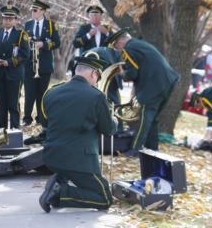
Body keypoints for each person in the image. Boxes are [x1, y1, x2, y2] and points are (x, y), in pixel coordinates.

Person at [39, 54, 117, 213]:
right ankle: (58, 193)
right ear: (93, 74)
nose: (97, 81)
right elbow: (108, 129)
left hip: (52, 156)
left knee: (68, 171)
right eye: (98, 77)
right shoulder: (97, 96)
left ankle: (58, 181)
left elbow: (45, 122)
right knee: (104, 198)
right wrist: (114, 118)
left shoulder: (51, 92)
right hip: (79, 160)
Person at [104, 28, 180, 157]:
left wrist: (122, 73)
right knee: (152, 118)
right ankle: (152, 149)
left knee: (143, 117)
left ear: (121, 41)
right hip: (167, 82)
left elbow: (132, 73)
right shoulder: (139, 44)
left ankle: (135, 149)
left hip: (153, 85)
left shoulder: (129, 49)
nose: (118, 49)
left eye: (116, 46)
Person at [0, 4, 30, 129]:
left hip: (14, 74)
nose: (7, 20)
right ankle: (1, 130)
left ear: (15, 20)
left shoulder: (21, 35)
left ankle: (14, 130)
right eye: (5, 18)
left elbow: (24, 55)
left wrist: (10, 62)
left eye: (10, 18)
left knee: (13, 104)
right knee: (1, 104)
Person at [22, 0, 61, 126]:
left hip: (44, 65)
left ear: (43, 11)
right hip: (29, 65)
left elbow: (57, 43)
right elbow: (23, 42)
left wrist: (43, 44)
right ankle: (27, 119)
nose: (32, 12)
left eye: (35, 10)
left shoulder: (51, 25)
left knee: (42, 93)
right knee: (29, 93)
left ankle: (41, 118)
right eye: (32, 10)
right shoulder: (27, 24)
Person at [85, 47, 124, 132]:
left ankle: (117, 129)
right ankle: (116, 129)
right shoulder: (111, 51)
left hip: (108, 78)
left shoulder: (111, 50)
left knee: (113, 103)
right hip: (97, 74)